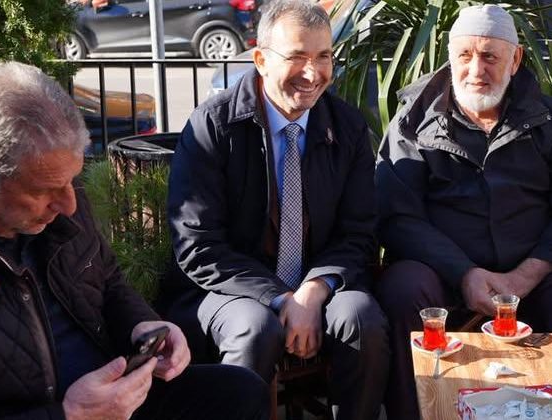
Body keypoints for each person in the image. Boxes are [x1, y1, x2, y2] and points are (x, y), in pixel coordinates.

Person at [374, 5, 552, 420]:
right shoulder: (412, 121)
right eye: (465, 56)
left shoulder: (550, 118)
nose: (476, 70)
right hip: (445, 281)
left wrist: (525, 276)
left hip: (536, 280)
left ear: (516, 59)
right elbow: (397, 216)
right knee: (404, 288)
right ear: (450, 57)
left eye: (490, 56)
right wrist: (465, 274)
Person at [0, 61, 270, 420]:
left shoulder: (61, 194)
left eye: (71, 180)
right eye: (45, 190)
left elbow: (108, 282)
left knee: (239, 392)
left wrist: (145, 325)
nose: (69, 203)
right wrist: (69, 415)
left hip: (118, 396)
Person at [163, 0, 390, 418]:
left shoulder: (349, 127)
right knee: (255, 329)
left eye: (324, 57)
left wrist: (313, 289)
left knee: (361, 317)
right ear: (261, 60)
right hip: (229, 288)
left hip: (318, 280)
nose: (313, 73)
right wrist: (281, 298)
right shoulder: (212, 124)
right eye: (297, 57)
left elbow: (359, 233)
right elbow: (198, 244)